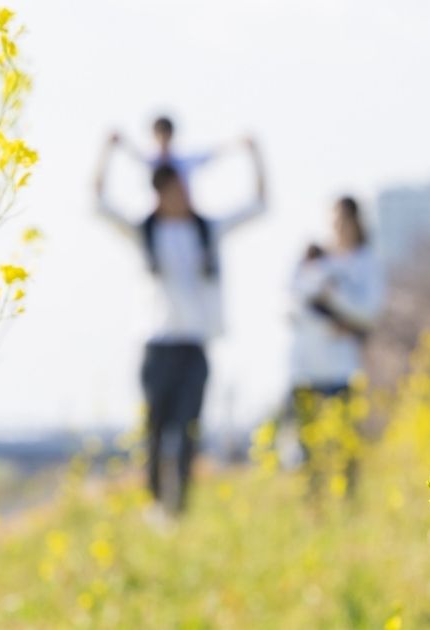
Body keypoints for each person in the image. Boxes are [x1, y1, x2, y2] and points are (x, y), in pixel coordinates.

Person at [95, 133, 267, 514]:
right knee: (155, 430)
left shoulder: (207, 229)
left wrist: (254, 156)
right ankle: (156, 503)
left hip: (195, 345)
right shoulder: (146, 231)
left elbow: (258, 205)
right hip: (157, 345)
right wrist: (108, 152)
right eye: (172, 190)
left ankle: (180, 508)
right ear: (158, 194)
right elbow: (100, 204)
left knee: (189, 428)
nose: (180, 196)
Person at [287, 196, 384, 493]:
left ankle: (347, 507)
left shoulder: (367, 262)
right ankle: (312, 507)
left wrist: (335, 300)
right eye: (334, 220)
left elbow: (370, 312)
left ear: (357, 223)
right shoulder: (312, 258)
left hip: (344, 368)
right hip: (306, 367)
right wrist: (329, 321)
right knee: (309, 449)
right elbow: (291, 305)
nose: (338, 227)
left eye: (344, 221)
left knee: (346, 446)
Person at [111, 115, 244, 199]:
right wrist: (121, 141)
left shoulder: (183, 162)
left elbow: (210, 154)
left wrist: (237, 143)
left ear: (172, 135)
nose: (163, 140)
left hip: (184, 215)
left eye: (166, 135)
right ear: (154, 136)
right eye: (159, 135)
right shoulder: (151, 161)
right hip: (159, 218)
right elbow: (135, 154)